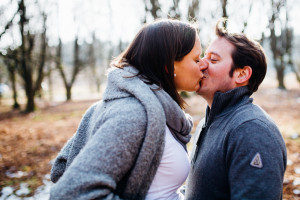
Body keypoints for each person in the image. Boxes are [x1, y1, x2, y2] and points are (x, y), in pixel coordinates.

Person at [50, 19, 207, 200]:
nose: (203, 64)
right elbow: (72, 193)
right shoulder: (134, 114)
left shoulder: (155, 110)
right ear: (168, 65)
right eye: (196, 59)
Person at [186, 19, 287, 200]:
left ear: (242, 74)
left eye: (213, 59)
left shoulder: (252, 130)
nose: (202, 65)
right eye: (203, 57)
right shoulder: (207, 123)